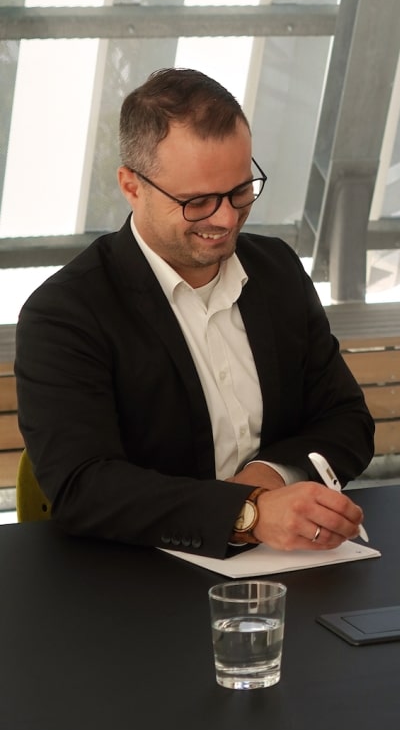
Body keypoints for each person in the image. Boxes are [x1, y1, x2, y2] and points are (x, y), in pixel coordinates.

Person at [15, 67, 375, 556]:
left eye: (240, 190)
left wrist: (266, 478)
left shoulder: (278, 271)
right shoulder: (65, 314)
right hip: (136, 583)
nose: (226, 219)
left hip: (287, 563)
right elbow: (84, 487)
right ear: (131, 186)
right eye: (198, 201)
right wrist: (246, 513)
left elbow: (347, 419)